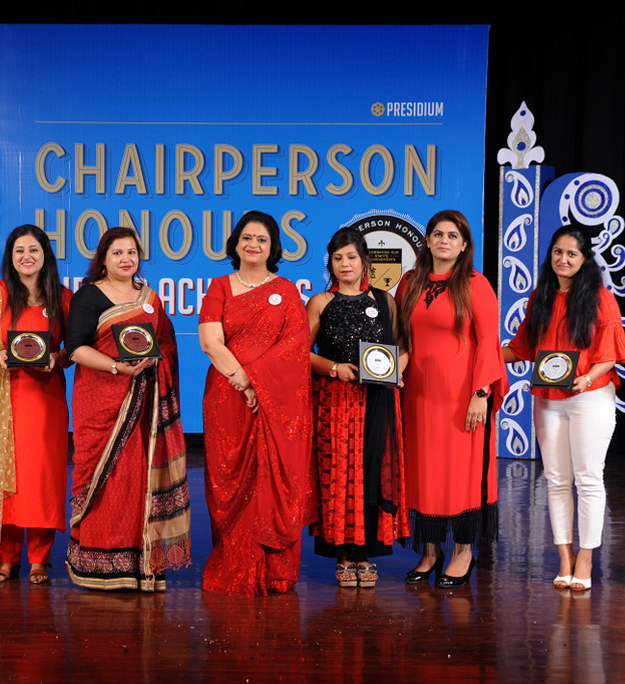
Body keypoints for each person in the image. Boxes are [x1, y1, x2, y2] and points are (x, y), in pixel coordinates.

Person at [502, 225, 625, 591]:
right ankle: (564, 558)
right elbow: (521, 349)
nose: (563, 259)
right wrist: (475, 352)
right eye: (558, 252)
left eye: (572, 253)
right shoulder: (539, 296)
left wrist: (586, 379)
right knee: (556, 481)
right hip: (548, 399)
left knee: (588, 479)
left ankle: (586, 560)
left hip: (590, 395)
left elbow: (611, 353)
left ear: (585, 259)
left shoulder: (601, 297)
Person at [64, 227, 189, 591]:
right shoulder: (89, 296)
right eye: (117, 253)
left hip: (144, 406)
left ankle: (142, 561)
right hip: (102, 403)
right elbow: (74, 348)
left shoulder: (150, 297)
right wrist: (117, 367)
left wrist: (155, 362)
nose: (125, 259)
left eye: (131, 252)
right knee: (106, 480)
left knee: (139, 478)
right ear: (103, 259)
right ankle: (96, 562)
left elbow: (164, 344)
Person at [199, 210, 315, 597]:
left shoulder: (286, 291)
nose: (253, 244)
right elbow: (211, 342)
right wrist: (242, 380)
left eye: (262, 239)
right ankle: (233, 561)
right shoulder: (219, 287)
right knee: (228, 480)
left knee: (272, 482)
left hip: (274, 403)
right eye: (247, 237)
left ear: (273, 247)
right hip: (226, 401)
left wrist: (256, 381)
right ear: (235, 244)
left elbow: (296, 346)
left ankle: (274, 569)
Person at [395, 209, 507, 588]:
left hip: (463, 396)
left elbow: (488, 342)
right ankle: (430, 551)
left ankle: (463, 551)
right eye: (438, 234)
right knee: (424, 473)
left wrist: (481, 393)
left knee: (460, 475)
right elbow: (402, 339)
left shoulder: (475, 284)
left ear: (463, 246)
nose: (444, 241)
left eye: (452, 236)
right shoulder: (409, 282)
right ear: (427, 240)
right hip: (418, 395)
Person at [0, 225, 73, 584]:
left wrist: (56, 358)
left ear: (45, 256)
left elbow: (75, 347)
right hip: (3, 401)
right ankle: (7, 558)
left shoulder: (62, 297)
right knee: (5, 480)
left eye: (34, 249)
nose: (27, 256)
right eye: (19, 250)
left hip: (46, 402)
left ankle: (40, 558)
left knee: (42, 479)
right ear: (10, 258)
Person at [307, 228, 410, 588]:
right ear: (330, 264)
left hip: (378, 400)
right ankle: (343, 555)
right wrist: (334, 368)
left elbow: (401, 347)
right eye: (338, 258)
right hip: (336, 402)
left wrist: (398, 370)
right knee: (340, 475)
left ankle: (365, 553)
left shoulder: (385, 301)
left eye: (351, 257)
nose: (345, 264)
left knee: (370, 474)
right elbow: (300, 355)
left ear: (365, 261)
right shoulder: (320, 303)